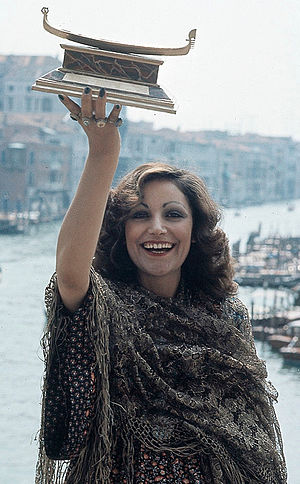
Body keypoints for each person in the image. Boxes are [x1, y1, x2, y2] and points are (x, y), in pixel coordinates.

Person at [36, 87, 287, 484]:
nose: (157, 228)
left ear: (195, 229)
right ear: (121, 231)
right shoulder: (102, 308)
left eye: (173, 214)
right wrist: (103, 153)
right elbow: (69, 273)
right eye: (139, 215)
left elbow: (253, 436)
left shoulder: (228, 316)